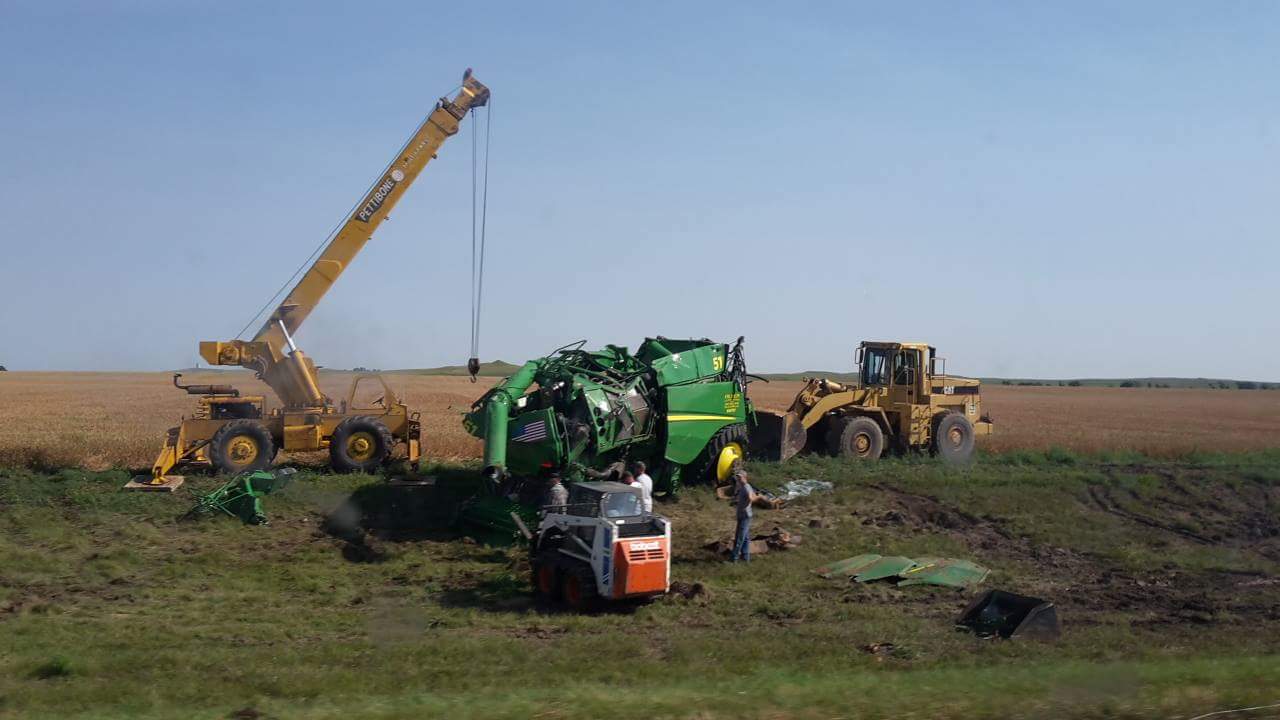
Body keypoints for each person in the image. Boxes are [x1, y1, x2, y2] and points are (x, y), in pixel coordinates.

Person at [731, 466, 758, 562]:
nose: (738, 479)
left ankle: (734, 558)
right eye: (737, 477)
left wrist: (746, 505)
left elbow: (751, 498)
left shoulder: (746, 487)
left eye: (740, 477)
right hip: (742, 515)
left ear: (744, 477)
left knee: (739, 538)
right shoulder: (742, 487)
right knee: (745, 538)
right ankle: (746, 557)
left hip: (745, 516)